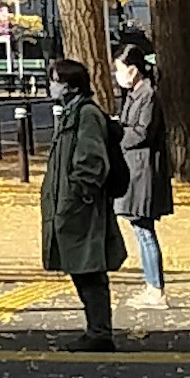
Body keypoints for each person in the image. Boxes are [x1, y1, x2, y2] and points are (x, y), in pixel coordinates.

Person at [43, 53, 128, 346]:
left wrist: (79, 192)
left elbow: (92, 160)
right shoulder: (72, 112)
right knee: (81, 267)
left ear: (69, 85)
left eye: (55, 81)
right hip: (72, 205)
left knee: (89, 268)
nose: (51, 87)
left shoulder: (85, 114)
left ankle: (99, 332)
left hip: (82, 207)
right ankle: (97, 330)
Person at [113, 29, 173, 312]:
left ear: (133, 70)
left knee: (144, 229)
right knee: (140, 229)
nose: (118, 75)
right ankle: (151, 286)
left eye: (120, 69)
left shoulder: (148, 96)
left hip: (143, 170)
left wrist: (115, 134)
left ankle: (156, 289)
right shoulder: (135, 95)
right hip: (136, 169)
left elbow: (141, 133)